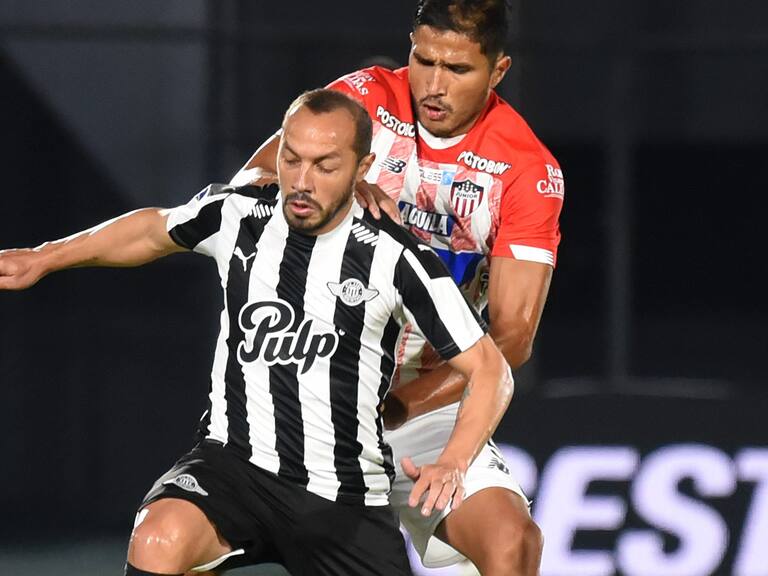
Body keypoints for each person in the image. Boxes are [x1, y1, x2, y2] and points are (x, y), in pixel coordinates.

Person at [0, 89, 514, 576]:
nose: (302, 181)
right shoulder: (240, 214)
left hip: (343, 497)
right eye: (291, 159)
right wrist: (45, 257)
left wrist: (453, 460)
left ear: (362, 170)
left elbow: (491, 371)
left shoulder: (397, 258)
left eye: (325, 166)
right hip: (233, 469)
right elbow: (153, 230)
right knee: (158, 538)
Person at [232, 1, 564, 574]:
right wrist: (330, 190)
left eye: (457, 69)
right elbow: (249, 184)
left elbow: (512, 336)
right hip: (309, 382)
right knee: (175, 541)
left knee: (513, 543)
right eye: (423, 60)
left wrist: (399, 406)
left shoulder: (526, 169)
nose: (433, 84)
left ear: (499, 70)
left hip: (418, 400)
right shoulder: (362, 100)